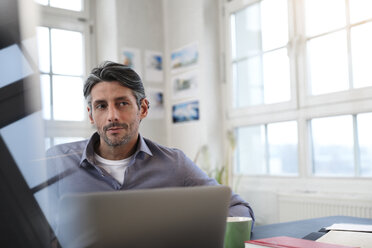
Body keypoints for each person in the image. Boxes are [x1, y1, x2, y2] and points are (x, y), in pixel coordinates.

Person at [46, 61, 254, 229]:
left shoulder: (174, 164)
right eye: (101, 106)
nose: (112, 116)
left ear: (143, 109)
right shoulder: (56, 162)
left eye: (122, 103)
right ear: (91, 114)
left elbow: (237, 208)